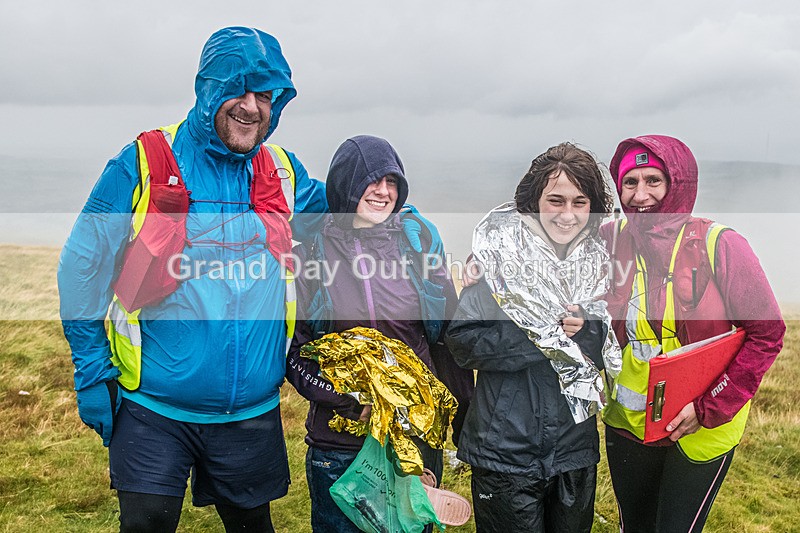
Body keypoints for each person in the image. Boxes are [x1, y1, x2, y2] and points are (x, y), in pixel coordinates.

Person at [285, 135, 474, 532]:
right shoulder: (312, 257)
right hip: (340, 447)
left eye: (392, 182)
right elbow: (297, 358)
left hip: (414, 442)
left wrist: (466, 425)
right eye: (371, 181)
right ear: (345, 185)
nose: (384, 191)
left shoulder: (417, 243)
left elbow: (446, 339)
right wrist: (348, 400)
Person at [600, 135, 786, 532]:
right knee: (634, 526)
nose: (640, 193)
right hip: (629, 423)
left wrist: (708, 409)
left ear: (677, 184)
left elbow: (767, 334)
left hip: (702, 426)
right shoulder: (608, 239)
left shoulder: (721, 244)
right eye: (629, 182)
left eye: (654, 180)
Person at [445, 142, 621, 533]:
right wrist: (542, 340)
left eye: (580, 202)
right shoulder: (496, 263)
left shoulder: (601, 264)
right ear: (532, 201)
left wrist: (586, 332)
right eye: (555, 200)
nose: (567, 214)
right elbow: (462, 342)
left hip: (574, 451)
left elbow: (607, 342)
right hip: (504, 451)